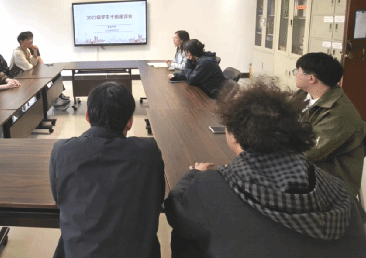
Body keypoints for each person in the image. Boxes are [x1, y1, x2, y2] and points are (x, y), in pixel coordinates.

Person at [164, 78, 366, 258]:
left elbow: (175, 209)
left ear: (233, 135)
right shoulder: (338, 190)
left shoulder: (208, 187)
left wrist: (194, 174)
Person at [49, 82, 165, 258]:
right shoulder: (149, 151)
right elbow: (158, 197)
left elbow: (59, 197)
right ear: (130, 122)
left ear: (87, 116)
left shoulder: (62, 151)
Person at [294, 52, 366, 198]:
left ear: (311, 78)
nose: (295, 74)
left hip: (329, 184)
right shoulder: (303, 95)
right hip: (305, 170)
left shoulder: (340, 114)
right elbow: (281, 120)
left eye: (297, 71)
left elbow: (309, 152)